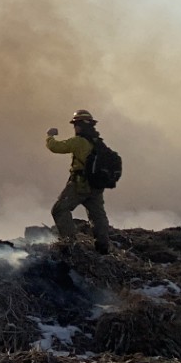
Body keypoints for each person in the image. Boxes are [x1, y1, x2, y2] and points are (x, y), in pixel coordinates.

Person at [46, 108, 111, 254]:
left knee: (59, 209)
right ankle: (103, 247)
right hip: (97, 186)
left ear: (80, 125)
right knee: (97, 215)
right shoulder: (99, 143)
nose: (75, 127)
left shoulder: (79, 141)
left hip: (79, 184)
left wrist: (50, 136)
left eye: (75, 124)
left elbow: (56, 147)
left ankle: (70, 245)